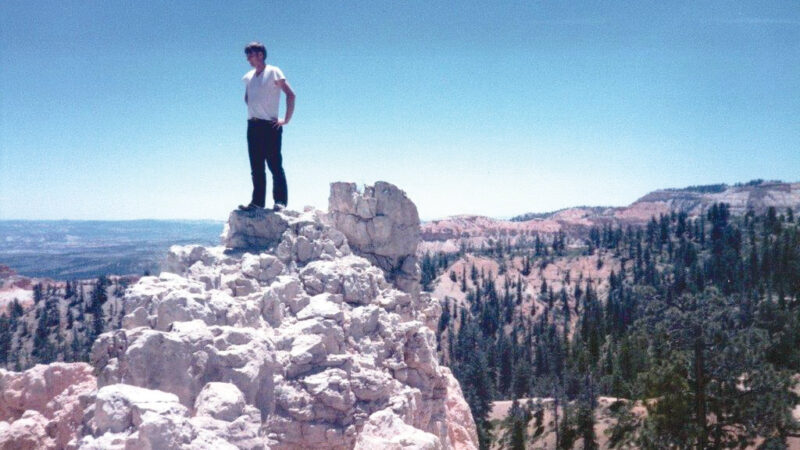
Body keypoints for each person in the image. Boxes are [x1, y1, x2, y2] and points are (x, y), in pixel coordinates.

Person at [238, 41, 296, 212]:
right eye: (247, 55)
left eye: (251, 54)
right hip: (253, 125)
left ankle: (280, 202)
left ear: (261, 55)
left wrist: (286, 119)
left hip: (269, 125)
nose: (248, 58)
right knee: (256, 166)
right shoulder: (249, 76)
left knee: (274, 165)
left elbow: (291, 95)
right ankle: (257, 202)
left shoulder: (273, 71)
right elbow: (247, 98)